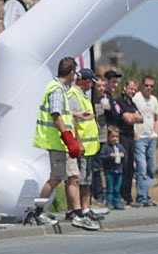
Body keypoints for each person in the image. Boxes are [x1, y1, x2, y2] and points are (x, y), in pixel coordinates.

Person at [32, 57, 96, 230]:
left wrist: (77, 116)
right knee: (56, 178)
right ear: (71, 73)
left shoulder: (58, 88)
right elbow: (56, 114)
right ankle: (37, 213)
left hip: (62, 143)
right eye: (74, 73)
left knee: (73, 177)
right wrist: (69, 139)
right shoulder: (57, 90)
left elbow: (63, 113)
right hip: (59, 142)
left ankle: (77, 213)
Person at [68, 68, 101, 225]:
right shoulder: (74, 95)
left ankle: (85, 208)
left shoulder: (84, 96)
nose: (93, 85)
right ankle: (75, 209)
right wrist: (78, 141)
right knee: (78, 178)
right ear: (86, 82)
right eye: (92, 82)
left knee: (86, 179)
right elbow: (72, 120)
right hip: (82, 145)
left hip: (90, 146)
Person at [132, 75, 158, 206]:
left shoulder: (154, 100)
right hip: (140, 137)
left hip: (151, 137)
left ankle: (146, 194)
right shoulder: (136, 98)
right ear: (142, 86)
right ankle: (142, 196)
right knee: (141, 167)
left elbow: (156, 118)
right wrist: (135, 132)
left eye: (151, 86)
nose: (148, 88)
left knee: (151, 167)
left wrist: (156, 133)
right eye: (146, 85)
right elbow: (133, 116)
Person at [115, 78, 143, 207]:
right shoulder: (119, 101)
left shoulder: (132, 103)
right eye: (131, 89)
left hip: (131, 137)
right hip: (121, 136)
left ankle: (128, 196)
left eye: (134, 90)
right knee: (123, 166)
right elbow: (128, 119)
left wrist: (134, 116)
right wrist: (133, 116)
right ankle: (119, 195)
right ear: (125, 88)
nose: (132, 92)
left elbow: (140, 118)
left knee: (131, 168)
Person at [91, 75, 108, 203]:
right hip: (93, 138)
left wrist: (110, 110)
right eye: (99, 86)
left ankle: (107, 193)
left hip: (104, 136)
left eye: (103, 86)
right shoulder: (90, 100)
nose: (102, 89)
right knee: (95, 167)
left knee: (106, 166)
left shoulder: (106, 99)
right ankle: (97, 193)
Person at [99, 126, 125, 210]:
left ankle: (117, 201)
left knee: (117, 187)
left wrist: (122, 155)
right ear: (108, 137)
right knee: (110, 187)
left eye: (116, 136)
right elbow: (102, 156)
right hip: (109, 170)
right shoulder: (106, 147)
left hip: (118, 170)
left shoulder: (120, 147)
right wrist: (109, 156)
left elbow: (124, 155)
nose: (115, 139)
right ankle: (109, 202)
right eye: (112, 136)